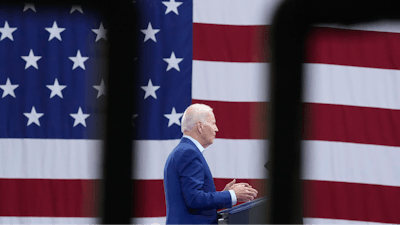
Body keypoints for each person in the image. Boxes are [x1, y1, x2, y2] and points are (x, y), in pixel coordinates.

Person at [163, 103, 259, 225]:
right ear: (200, 126)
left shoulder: (184, 151)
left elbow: (194, 201)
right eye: (213, 123)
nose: (216, 129)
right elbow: (194, 199)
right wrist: (231, 195)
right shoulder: (188, 153)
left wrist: (224, 195)